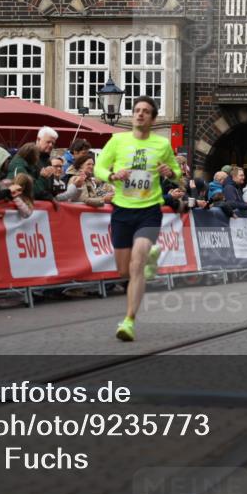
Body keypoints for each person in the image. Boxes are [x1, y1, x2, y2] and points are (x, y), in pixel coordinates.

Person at [94, 96, 181, 342]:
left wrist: (170, 172)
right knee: (124, 270)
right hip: (122, 210)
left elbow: (178, 175)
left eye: (145, 111)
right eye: (137, 110)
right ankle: (150, 257)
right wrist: (113, 175)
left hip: (149, 209)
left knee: (137, 261)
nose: (140, 114)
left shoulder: (162, 145)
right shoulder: (117, 140)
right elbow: (98, 168)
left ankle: (129, 320)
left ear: (153, 118)